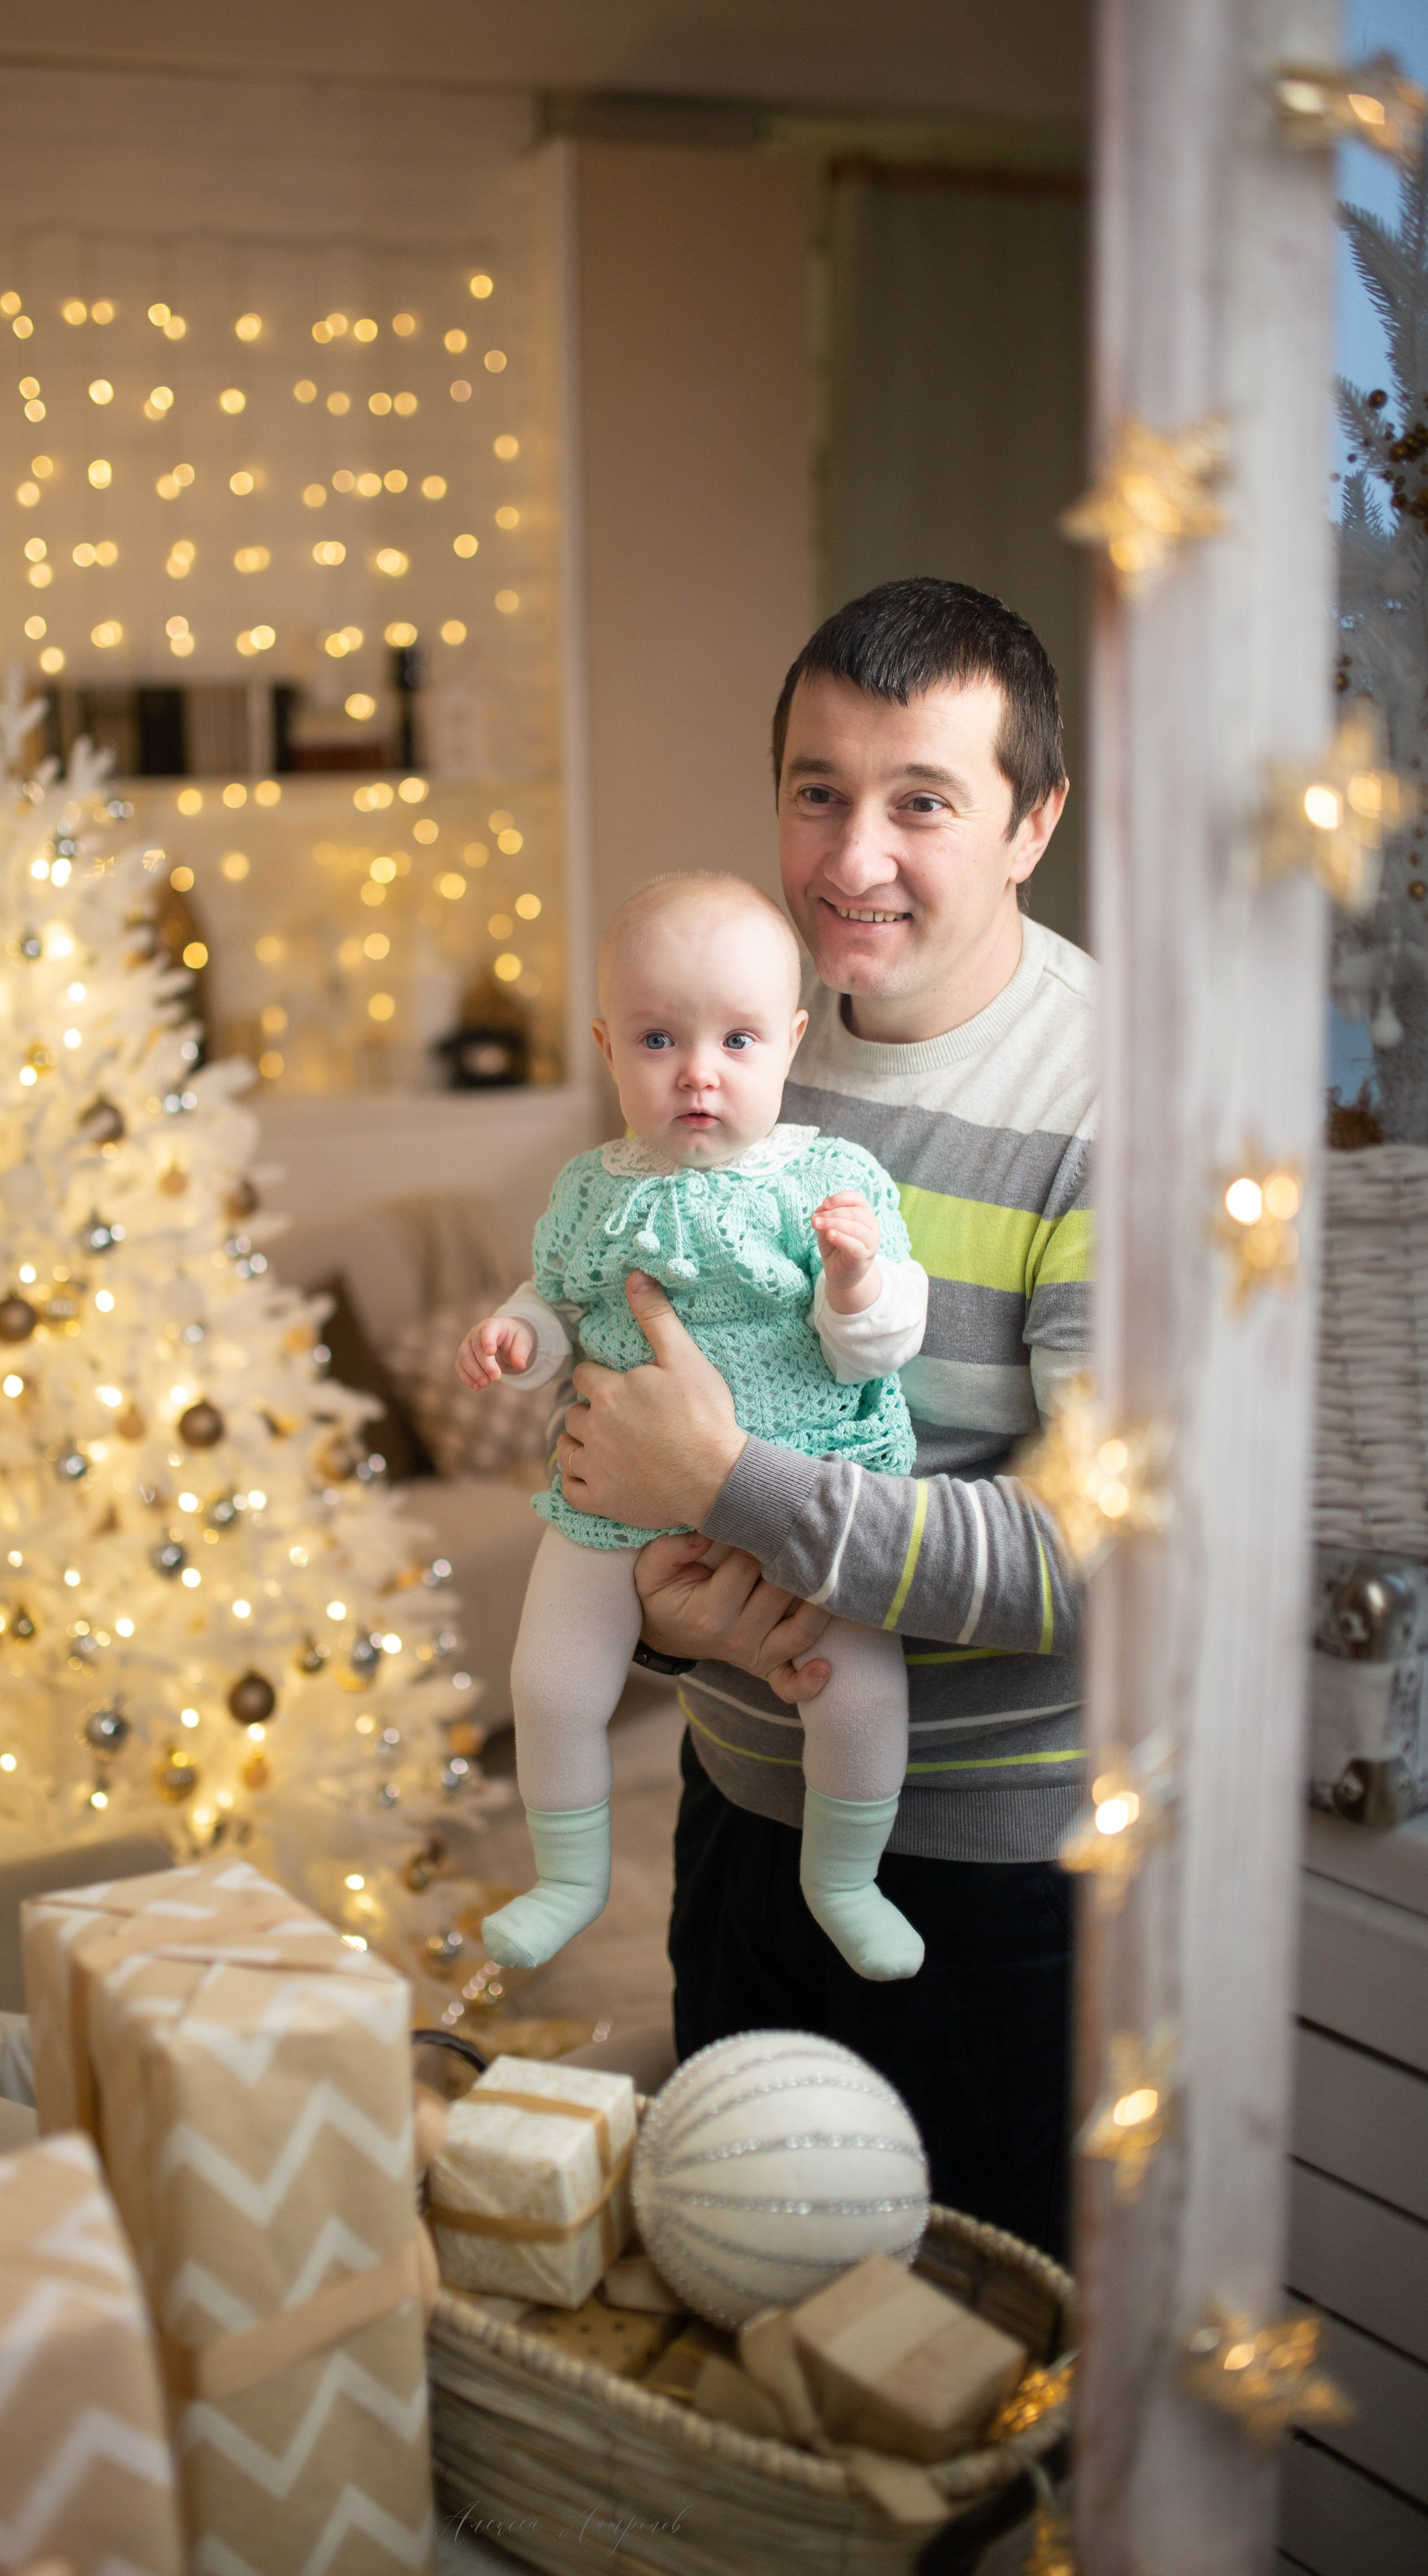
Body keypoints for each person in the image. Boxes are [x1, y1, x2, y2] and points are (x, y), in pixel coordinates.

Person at [552, 578, 1093, 2261]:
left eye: (921, 801)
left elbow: (1089, 1563)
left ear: (1031, 824)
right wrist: (650, 1605)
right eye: (816, 790)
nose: (852, 857)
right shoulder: (742, 1045)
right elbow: (619, 1380)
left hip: (996, 1893)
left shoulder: (1115, 1109)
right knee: (737, 2319)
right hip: (733, 1820)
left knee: (964, 2386)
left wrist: (736, 1484)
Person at [455, 873, 929, 1981]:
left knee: (861, 1688)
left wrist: (857, 1284)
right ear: (608, 1046)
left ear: (791, 1042)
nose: (699, 1073)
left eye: (738, 1040)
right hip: (619, 1500)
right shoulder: (589, 1190)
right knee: (552, 1682)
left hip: (809, 1491)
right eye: (660, 1039)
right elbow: (560, 1302)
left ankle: (843, 1878)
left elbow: (882, 1345)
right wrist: (521, 1338)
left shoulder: (825, 1180)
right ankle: (569, 1879)